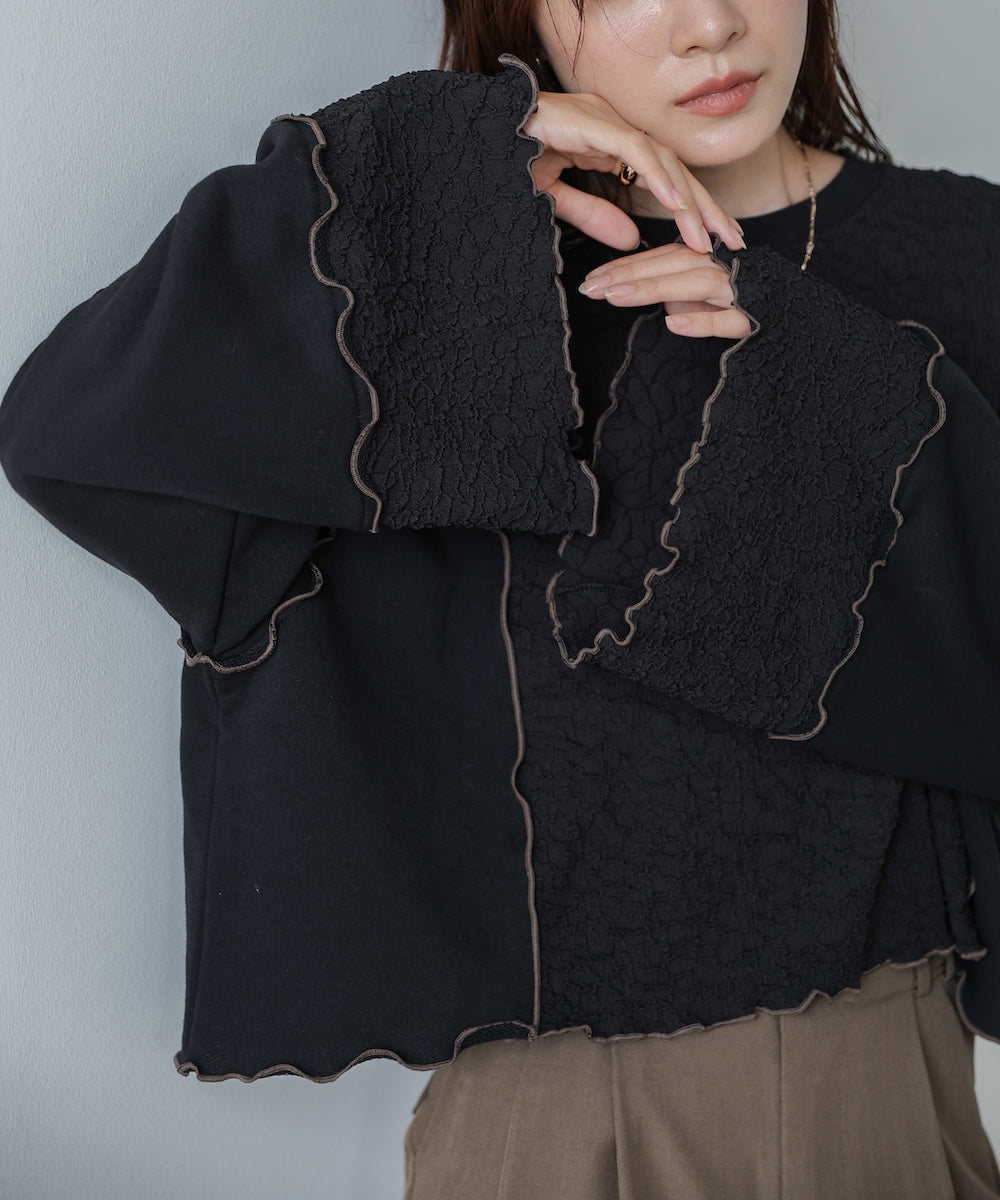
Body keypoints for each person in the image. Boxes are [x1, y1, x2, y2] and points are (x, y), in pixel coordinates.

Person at [2, 0, 1000, 1196]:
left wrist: (852, 398)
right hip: (522, 1113)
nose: (710, 25)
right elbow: (73, 439)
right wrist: (434, 170)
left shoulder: (966, 251)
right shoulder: (430, 269)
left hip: (852, 1079)